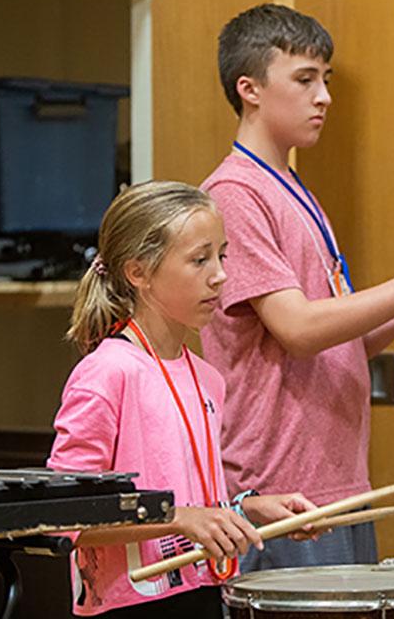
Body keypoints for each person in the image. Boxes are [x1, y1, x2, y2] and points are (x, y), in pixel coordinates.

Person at [200, 3, 394, 571]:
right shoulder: (235, 195)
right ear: (250, 89)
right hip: (280, 491)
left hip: (338, 481)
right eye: (305, 79)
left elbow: (342, 343)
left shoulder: (293, 189)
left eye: (326, 80)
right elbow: (297, 330)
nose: (325, 97)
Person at [47, 181, 316, 618]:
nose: (220, 275)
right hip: (130, 606)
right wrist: (177, 518)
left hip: (203, 595)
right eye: (199, 260)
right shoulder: (107, 372)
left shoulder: (206, 377)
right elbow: (64, 518)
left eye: (221, 255)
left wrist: (245, 509)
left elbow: (193, 504)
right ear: (139, 273)